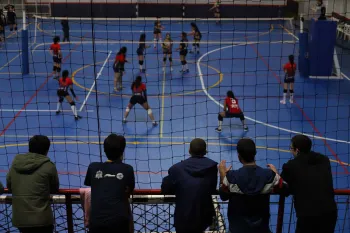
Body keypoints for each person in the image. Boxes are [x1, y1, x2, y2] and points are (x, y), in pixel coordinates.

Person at [267, 135, 337, 233]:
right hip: (330, 212)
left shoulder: (291, 166)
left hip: (308, 216)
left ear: (297, 150)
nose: (291, 151)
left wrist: (275, 174)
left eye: (291, 148)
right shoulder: (324, 160)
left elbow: (283, 189)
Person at [219, 138, 282, 233]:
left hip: (237, 229)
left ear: (239, 156)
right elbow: (283, 188)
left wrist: (223, 175)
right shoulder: (270, 176)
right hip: (261, 229)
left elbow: (223, 196)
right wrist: (275, 174)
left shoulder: (231, 177)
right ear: (255, 154)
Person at [161, 138, 218, 233]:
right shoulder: (212, 167)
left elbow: (165, 189)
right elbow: (212, 188)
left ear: (189, 151)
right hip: (203, 217)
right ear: (205, 152)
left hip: (183, 217)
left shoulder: (176, 169)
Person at [7, 135, 59, 233]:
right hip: (42, 220)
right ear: (47, 150)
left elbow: (9, 186)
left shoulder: (15, 163)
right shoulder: (49, 166)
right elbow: (54, 188)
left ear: (29, 148)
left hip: (20, 219)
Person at [84, 134, 135, 233]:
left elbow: (92, 184)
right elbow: (129, 189)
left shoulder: (93, 167)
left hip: (96, 222)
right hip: (119, 222)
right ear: (122, 152)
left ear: (104, 150)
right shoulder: (127, 169)